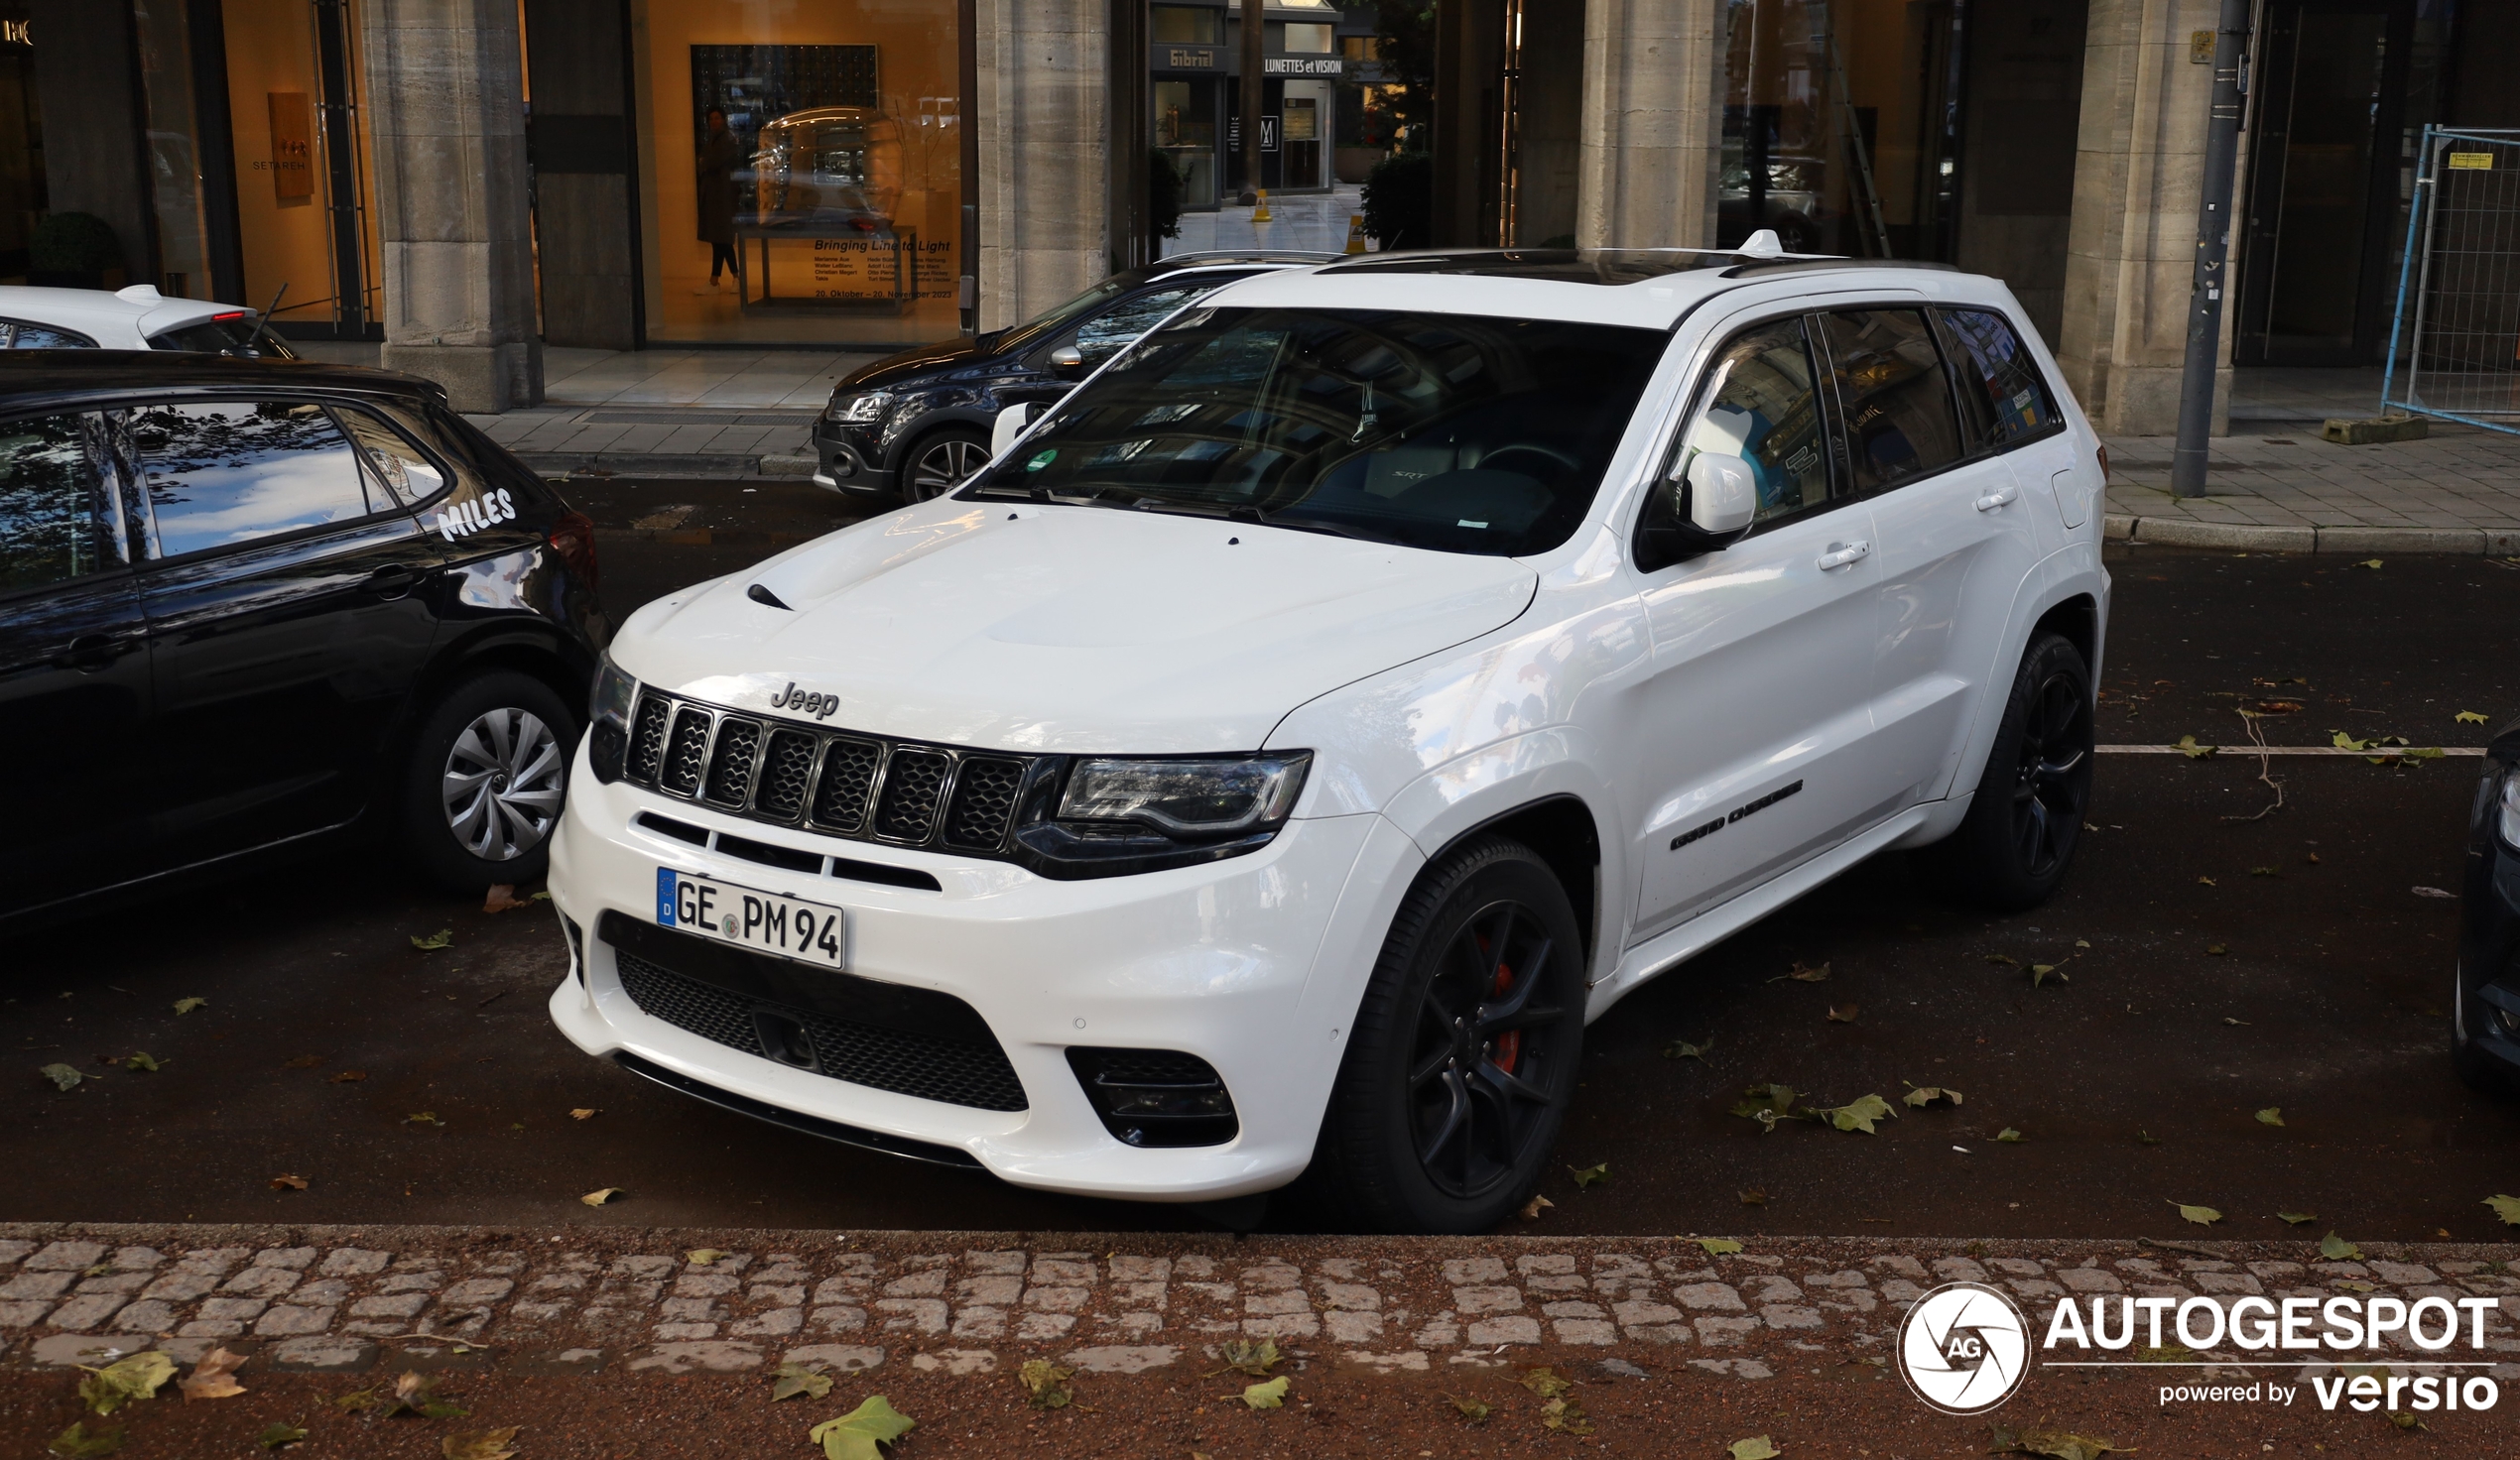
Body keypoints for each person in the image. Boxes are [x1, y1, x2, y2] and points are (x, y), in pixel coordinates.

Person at [695, 106, 743, 295]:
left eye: (717, 118)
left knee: (721, 239)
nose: (714, 122)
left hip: (722, 196)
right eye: (711, 119)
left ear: (723, 120)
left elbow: (709, 161)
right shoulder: (716, 140)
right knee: (721, 240)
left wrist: (704, 162)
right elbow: (704, 160)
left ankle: (720, 280)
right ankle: (726, 279)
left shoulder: (725, 140)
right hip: (717, 196)